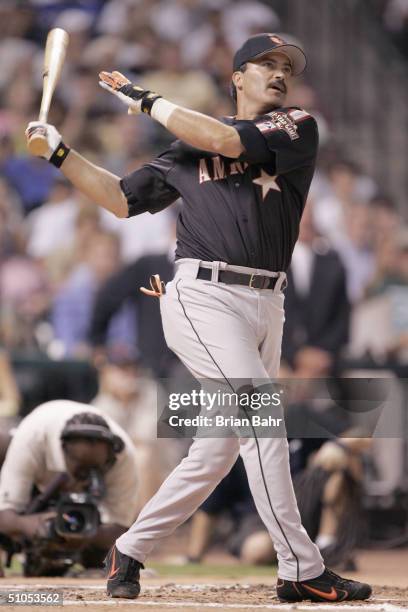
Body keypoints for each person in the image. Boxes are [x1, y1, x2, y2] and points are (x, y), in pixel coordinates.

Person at [25, 33, 372, 602]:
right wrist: (61, 154)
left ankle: (130, 548)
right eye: (266, 63)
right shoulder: (185, 148)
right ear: (237, 77)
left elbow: (224, 139)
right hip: (202, 296)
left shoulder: (295, 126)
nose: (279, 73)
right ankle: (301, 569)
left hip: (268, 305)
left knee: (218, 449)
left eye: (286, 66)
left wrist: (143, 99)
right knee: (264, 420)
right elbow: (119, 198)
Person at [0, 401, 139, 575]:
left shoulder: (124, 456)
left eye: (95, 469)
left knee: (107, 557)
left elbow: (121, 528)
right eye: (81, 468)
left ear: (111, 456)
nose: (86, 476)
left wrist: (85, 532)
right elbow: (5, 516)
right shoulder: (32, 439)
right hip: (32, 483)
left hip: (90, 516)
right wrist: (31, 525)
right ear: (63, 450)